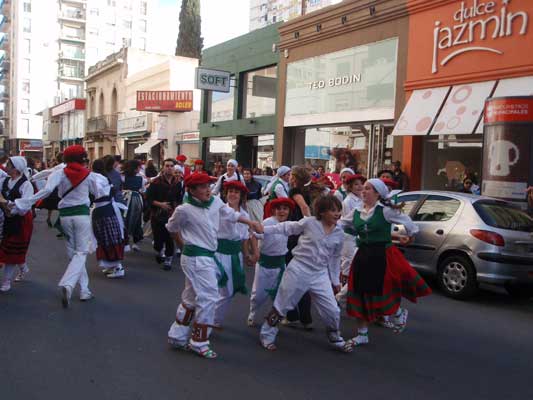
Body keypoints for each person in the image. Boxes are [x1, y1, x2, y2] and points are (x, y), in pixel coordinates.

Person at [165, 173, 259, 359]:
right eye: (202, 186)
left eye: (208, 185)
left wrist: (250, 222)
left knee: (191, 296)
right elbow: (172, 228)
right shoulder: (184, 210)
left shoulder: (216, 202)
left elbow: (231, 214)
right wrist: (183, 244)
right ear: (191, 190)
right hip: (195, 257)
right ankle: (199, 341)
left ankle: (177, 335)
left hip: (207, 256)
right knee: (209, 296)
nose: (207, 189)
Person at [15, 145, 110, 307]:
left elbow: (46, 190)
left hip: (65, 217)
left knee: (74, 254)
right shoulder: (89, 175)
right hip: (82, 215)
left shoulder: (59, 172)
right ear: (82, 158)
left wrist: (24, 202)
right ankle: (68, 284)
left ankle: (85, 290)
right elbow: (101, 193)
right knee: (81, 253)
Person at [254, 196, 352, 353]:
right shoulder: (310, 223)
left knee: (332, 310)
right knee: (282, 304)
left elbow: (335, 258)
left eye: (338, 210)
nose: (337, 213)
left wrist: (335, 280)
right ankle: (267, 334)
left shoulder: (339, 233)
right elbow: (287, 227)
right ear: (322, 212)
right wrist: (264, 229)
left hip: (320, 274)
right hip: (299, 268)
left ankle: (335, 336)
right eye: (333, 210)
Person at [341, 179, 432, 347]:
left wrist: (410, 235)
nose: (363, 191)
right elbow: (342, 224)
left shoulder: (385, 211)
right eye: (364, 188)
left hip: (381, 254)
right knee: (358, 292)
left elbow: (408, 222)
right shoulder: (356, 210)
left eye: (368, 188)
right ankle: (362, 334)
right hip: (363, 255)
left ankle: (398, 312)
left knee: (381, 290)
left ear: (378, 193)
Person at [213, 181, 258, 327]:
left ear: (241, 196)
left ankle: (214, 319)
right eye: (230, 191)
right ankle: (209, 319)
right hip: (218, 253)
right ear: (225, 194)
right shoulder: (220, 209)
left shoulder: (244, 214)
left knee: (228, 291)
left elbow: (244, 238)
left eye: (236, 192)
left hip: (234, 255)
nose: (232, 194)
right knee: (214, 288)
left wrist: (246, 256)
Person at [247, 197, 295, 327]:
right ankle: (252, 313)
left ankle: (273, 319)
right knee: (258, 294)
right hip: (264, 263)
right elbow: (254, 235)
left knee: (280, 293)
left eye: (285, 209)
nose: (282, 211)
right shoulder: (268, 222)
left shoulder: (288, 225)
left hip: (280, 264)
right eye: (279, 209)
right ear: (273, 210)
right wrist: (255, 252)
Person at [0, 157, 35, 292]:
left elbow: (25, 206)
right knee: (10, 249)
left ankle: (6, 281)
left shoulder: (26, 185)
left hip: (21, 220)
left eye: (8, 164)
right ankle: (23, 267)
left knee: (10, 250)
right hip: (7, 218)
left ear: (15, 168)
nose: (5, 166)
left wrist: (9, 208)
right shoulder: (5, 181)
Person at [90, 159, 127, 279]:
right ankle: (112, 265)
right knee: (107, 237)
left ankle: (117, 267)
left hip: (103, 211)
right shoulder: (104, 178)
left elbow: (99, 194)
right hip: (107, 209)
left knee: (109, 238)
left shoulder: (96, 179)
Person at [146, 158, 183, 270]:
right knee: (158, 239)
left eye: (171, 166)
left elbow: (179, 199)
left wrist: (177, 211)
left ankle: (168, 259)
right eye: (167, 166)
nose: (169, 168)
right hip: (157, 214)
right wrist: (160, 204)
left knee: (169, 237)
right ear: (163, 167)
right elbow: (148, 198)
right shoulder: (156, 182)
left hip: (171, 215)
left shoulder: (178, 183)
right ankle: (159, 250)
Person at [336, 174, 365, 308]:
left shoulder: (362, 199)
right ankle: (342, 296)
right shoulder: (348, 201)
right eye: (356, 184)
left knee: (356, 266)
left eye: (361, 184)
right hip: (349, 236)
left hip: (358, 236)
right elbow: (347, 221)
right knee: (347, 266)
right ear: (350, 187)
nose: (360, 186)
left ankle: (346, 296)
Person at [123, 160, 146, 251]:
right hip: (136, 199)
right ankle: (135, 242)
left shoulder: (123, 176)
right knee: (137, 219)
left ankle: (125, 240)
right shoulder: (141, 178)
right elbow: (143, 190)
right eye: (139, 167)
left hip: (124, 198)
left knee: (125, 219)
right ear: (136, 168)